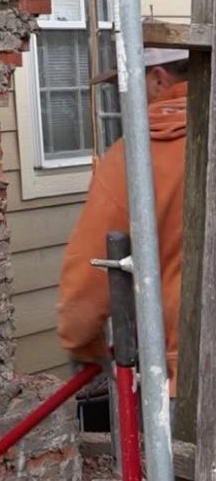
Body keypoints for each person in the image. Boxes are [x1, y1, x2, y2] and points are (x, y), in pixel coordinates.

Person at [57, 40, 188, 390]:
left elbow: (88, 279)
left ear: (159, 80)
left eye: (131, 84)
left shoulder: (134, 159)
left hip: (189, 371)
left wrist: (85, 346)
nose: (127, 99)